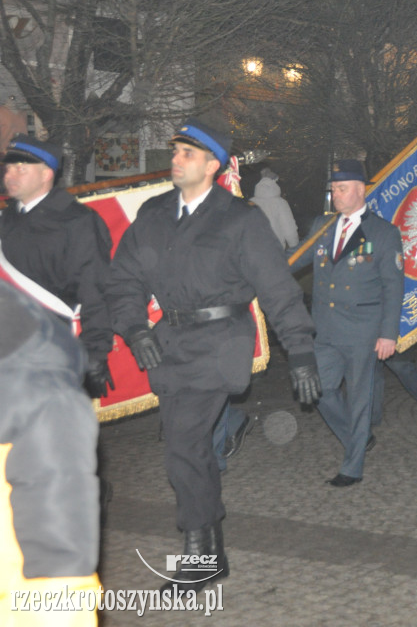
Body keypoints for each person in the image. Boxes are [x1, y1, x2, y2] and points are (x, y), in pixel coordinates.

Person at [106, 118, 320, 592]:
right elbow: (124, 280)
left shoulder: (240, 219)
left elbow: (278, 290)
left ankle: (200, 553)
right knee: (190, 446)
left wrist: (301, 350)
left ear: (211, 164)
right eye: (176, 150)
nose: (175, 158)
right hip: (169, 345)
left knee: (184, 442)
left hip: (220, 343)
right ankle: (210, 547)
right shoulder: (155, 213)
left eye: (186, 152)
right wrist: (134, 326)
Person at [291, 158, 404, 488]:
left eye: (341, 189)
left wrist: (388, 334)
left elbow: (393, 286)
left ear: (359, 190)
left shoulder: (383, 233)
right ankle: (359, 436)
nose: (335, 195)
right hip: (325, 328)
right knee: (318, 390)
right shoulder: (322, 227)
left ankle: (352, 466)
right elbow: (295, 258)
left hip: (362, 332)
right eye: (333, 189)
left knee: (359, 399)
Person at [0, 281, 101, 626]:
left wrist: (100, 345)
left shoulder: (38, 395)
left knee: (190, 454)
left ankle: (203, 552)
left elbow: (60, 565)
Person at [0, 134, 115, 399]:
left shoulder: (77, 222)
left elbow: (95, 290)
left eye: (21, 168)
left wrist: (94, 352)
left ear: (46, 174)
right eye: (9, 168)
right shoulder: (6, 221)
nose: (10, 175)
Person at [251, 167, 299, 250]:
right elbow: (289, 231)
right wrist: (295, 250)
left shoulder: (250, 203)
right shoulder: (280, 203)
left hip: (252, 252)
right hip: (274, 253)